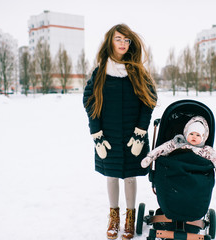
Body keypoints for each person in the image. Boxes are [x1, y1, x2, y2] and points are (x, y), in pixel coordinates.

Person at [83, 24, 157, 240]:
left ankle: (130, 218)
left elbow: (149, 102)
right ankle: (114, 217)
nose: (123, 44)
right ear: (110, 42)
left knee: (130, 177)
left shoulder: (138, 71)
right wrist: (96, 134)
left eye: (127, 40)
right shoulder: (100, 72)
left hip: (134, 136)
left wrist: (140, 132)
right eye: (119, 39)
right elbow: (89, 101)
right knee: (112, 176)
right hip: (107, 136)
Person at [141, 116, 216, 191]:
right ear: (186, 133)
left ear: (203, 137)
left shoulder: (206, 150)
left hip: (196, 179)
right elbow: (163, 148)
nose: (194, 137)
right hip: (175, 175)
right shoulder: (178, 142)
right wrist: (150, 157)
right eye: (191, 134)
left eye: (198, 135)